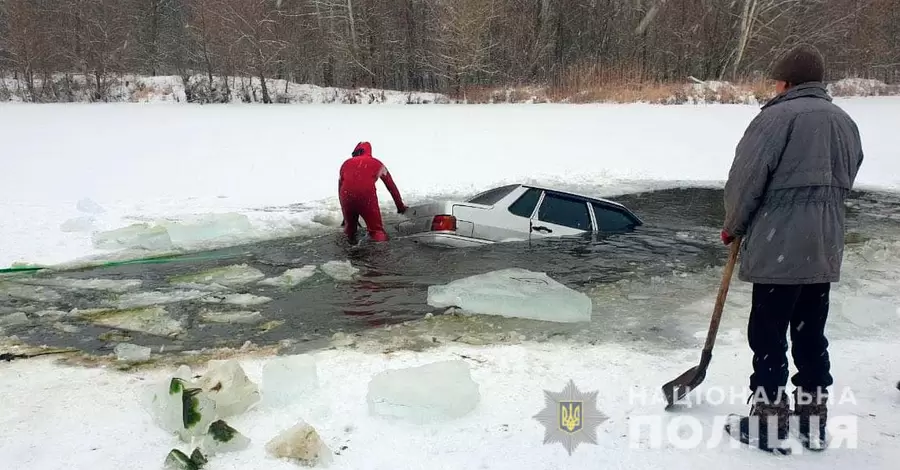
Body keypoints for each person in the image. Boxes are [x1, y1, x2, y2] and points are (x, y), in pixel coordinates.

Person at [720, 44, 864, 452]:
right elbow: (848, 175)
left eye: (777, 81)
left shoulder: (775, 118)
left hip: (778, 242)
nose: (775, 87)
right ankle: (812, 420)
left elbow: (746, 179)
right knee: (810, 333)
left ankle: (767, 424)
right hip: (824, 244)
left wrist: (733, 225)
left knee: (768, 334)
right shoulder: (845, 121)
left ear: (786, 82)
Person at [338, 141, 408, 243]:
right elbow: (391, 187)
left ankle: (345, 254)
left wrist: (346, 213)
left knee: (350, 230)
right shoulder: (377, 163)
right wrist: (400, 207)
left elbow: (340, 189)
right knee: (377, 232)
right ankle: (381, 255)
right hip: (366, 197)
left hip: (346, 197)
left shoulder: (345, 164)